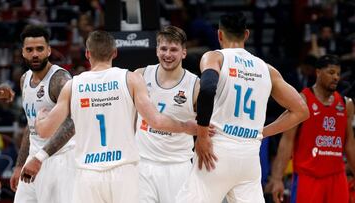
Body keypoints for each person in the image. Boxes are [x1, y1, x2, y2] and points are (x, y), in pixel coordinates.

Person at [27, 30, 197, 203]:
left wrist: (40, 118)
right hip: (124, 171)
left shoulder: (73, 85)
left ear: (87, 54)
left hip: (88, 173)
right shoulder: (131, 79)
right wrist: (186, 127)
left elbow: (45, 130)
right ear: (115, 53)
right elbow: (156, 121)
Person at [176, 12, 309, 203]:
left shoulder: (215, 57)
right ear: (246, 35)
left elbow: (207, 88)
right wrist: (262, 132)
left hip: (217, 152)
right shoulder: (266, 69)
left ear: (220, 35)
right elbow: (301, 111)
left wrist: (202, 135)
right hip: (249, 157)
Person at [268, 54, 355, 203]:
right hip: (307, 178)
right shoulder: (302, 100)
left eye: (338, 74)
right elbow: (286, 142)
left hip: (337, 178)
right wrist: (277, 179)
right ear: (318, 72)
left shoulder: (346, 104)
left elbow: (349, 145)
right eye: (331, 72)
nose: (336, 77)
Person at [9, 24, 75, 203]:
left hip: (59, 160)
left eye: (40, 49)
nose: (35, 54)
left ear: (48, 50)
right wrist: (19, 165)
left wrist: (40, 157)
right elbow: (30, 127)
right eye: (29, 50)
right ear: (23, 52)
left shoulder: (59, 79)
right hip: (33, 159)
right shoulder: (24, 79)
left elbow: (73, 123)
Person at [135, 25, 200, 203]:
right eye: (163, 49)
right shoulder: (140, 76)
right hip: (143, 164)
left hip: (178, 166)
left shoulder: (195, 85)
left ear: (184, 53)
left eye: (173, 50)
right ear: (157, 50)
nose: (168, 54)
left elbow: (204, 127)